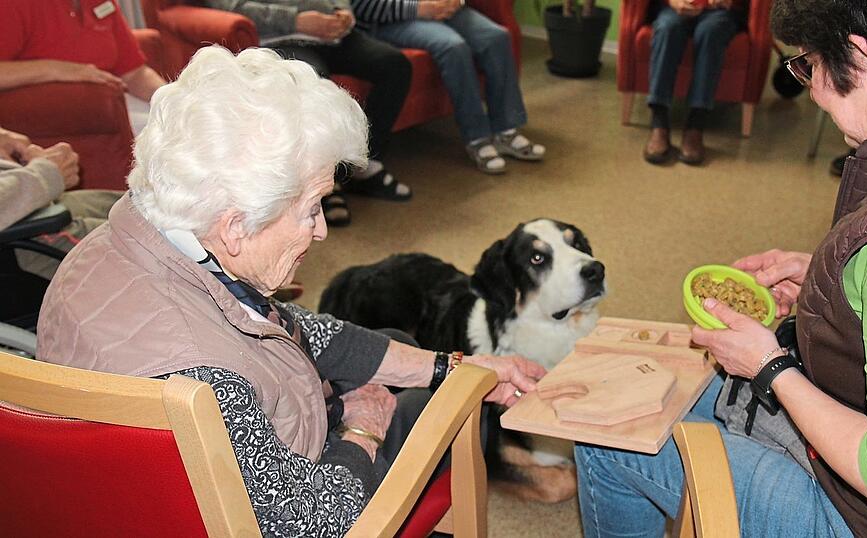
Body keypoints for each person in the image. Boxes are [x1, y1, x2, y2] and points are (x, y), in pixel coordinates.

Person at [36, 46, 546, 536]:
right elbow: (316, 526)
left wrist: (449, 365)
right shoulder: (203, 381)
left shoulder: (130, 241)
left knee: (395, 348)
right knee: (439, 410)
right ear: (237, 226)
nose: (322, 230)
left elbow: (285, 328)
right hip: (282, 509)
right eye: (312, 208)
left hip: (148, 489)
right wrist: (364, 430)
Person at [577, 0, 867, 536]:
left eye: (809, 66)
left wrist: (770, 366)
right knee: (644, 390)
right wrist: (840, 288)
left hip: (862, 516)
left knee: (609, 439)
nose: (812, 90)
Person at [206, 0, 415, 227]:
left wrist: (342, 11)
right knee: (316, 84)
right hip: (280, 39)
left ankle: (363, 164)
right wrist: (295, 20)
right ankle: (326, 183)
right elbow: (229, 6)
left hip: (334, 37)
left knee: (395, 65)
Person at [351, 0, 545, 174]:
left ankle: (506, 129)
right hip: (392, 19)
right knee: (453, 47)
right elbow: (360, 6)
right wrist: (419, 8)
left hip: (441, 8)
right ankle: (477, 138)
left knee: (497, 37)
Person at [0, 0, 166, 135]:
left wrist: (175, 99)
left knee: (180, 124)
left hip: (113, 109)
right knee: (168, 138)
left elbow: (135, 73)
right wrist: (55, 69)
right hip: (65, 117)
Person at [0, 126, 122, 280]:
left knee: (145, 203)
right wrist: (45, 174)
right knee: (155, 239)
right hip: (21, 236)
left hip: (23, 194)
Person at [642, 0, 746, 165]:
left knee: (711, 31)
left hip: (718, 12)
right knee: (667, 28)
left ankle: (695, 125)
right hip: (675, 8)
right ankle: (659, 122)